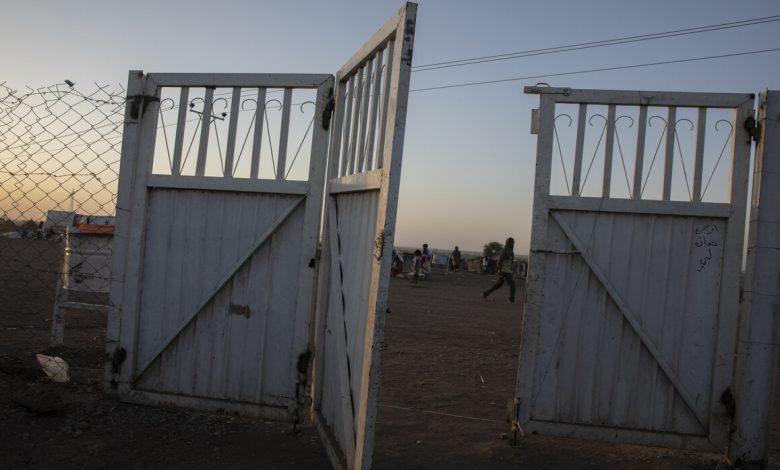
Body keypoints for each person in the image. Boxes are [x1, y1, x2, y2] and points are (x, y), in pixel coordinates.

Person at [481, 237, 516, 303]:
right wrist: (499, 270)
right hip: (504, 271)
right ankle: (511, 300)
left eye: (513, 242)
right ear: (508, 243)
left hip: (507, 271)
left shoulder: (510, 251)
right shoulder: (504, 250)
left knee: (498, 285)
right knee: (513, 285)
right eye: (511, 242)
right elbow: (500, 261)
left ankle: (485, 293)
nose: (512, 244)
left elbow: (510, 262)